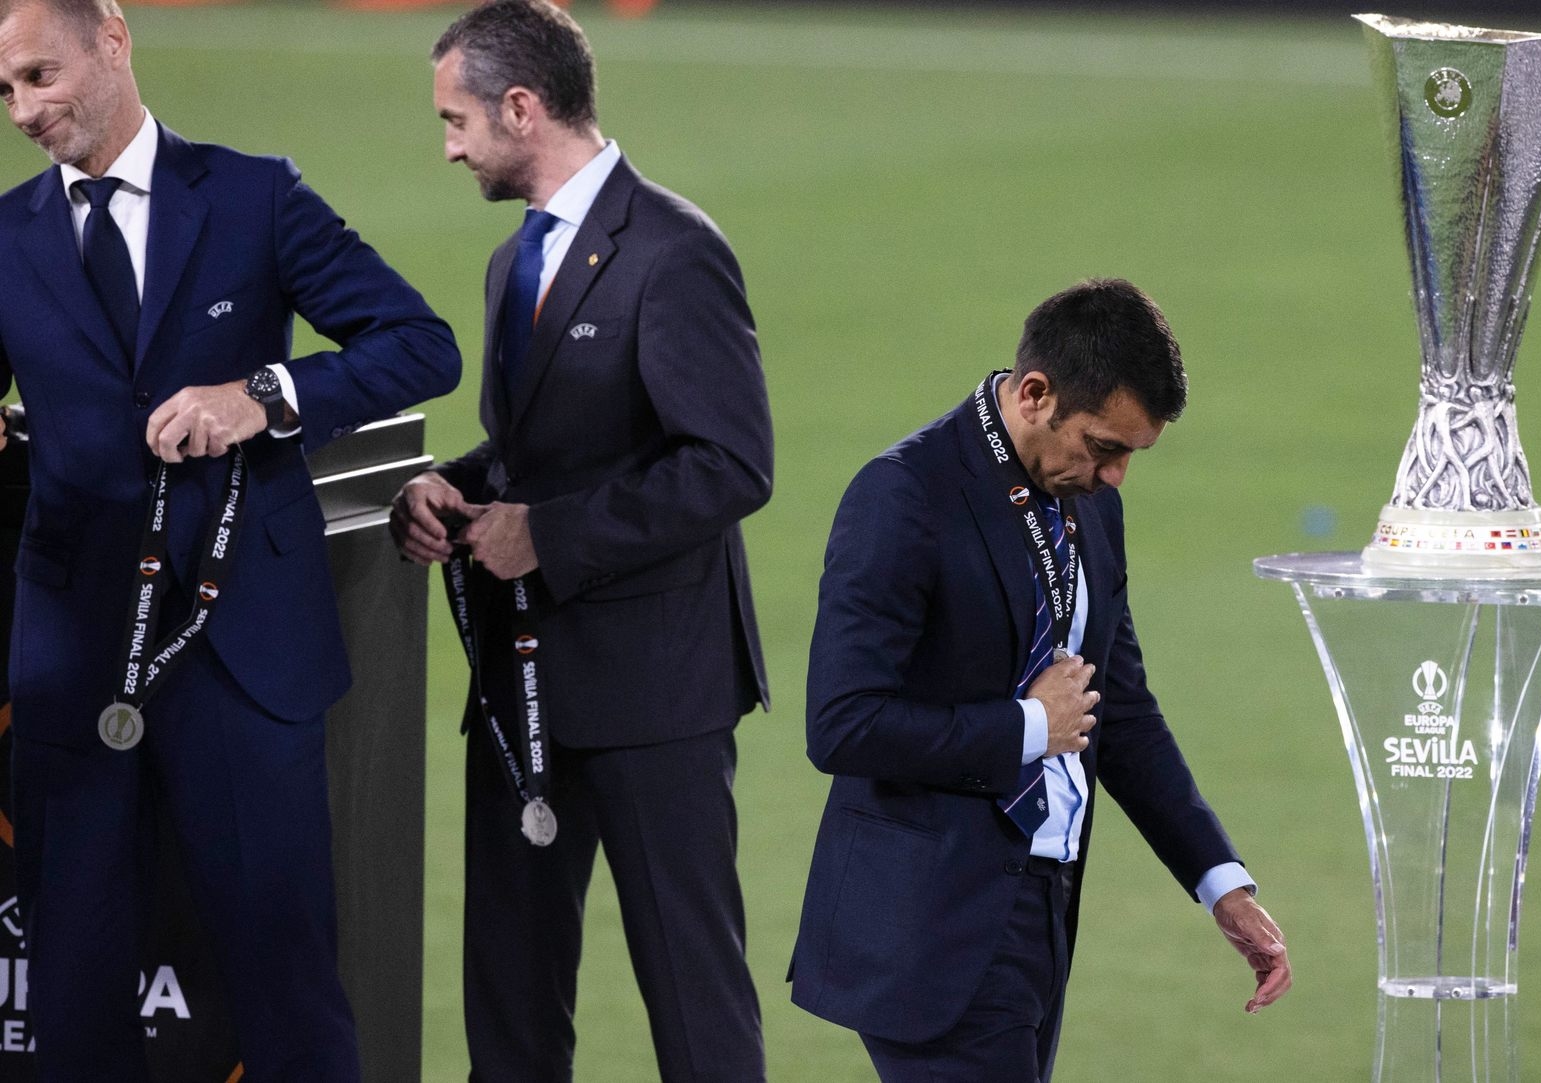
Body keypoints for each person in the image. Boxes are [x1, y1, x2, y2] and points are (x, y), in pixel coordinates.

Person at [0, 0, 460, 1077]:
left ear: (113, 39)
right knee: (70, 992)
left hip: (242, 647)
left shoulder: (256, 197)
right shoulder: (7, 236)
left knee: (285, 978)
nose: (22, 109)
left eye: (40, 75)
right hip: (74, 660)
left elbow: (419, 344)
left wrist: (268, 393)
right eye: (6, 89)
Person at [387, 3, 772, 1080]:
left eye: (458, 118)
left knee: (696, 1017)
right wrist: (451, 488)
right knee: (507, 1014)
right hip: (523, 692)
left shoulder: (677, 252)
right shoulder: (516, 262)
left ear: (523, 106)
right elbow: (532, 451)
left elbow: (731, 464)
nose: (449, 144)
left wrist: (547, 536)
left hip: (656, 702)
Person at [791, 278, 1292, 1081]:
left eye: (1132, 453)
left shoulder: (1089, 503)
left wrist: (1218, 880)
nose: (1117, 474)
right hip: (934, 926)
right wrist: (1026, 726)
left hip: (1041, 911)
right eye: (1103, 445)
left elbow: (1117, 708)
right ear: (1034, 393)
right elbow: (842, 723)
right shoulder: (904, 495)